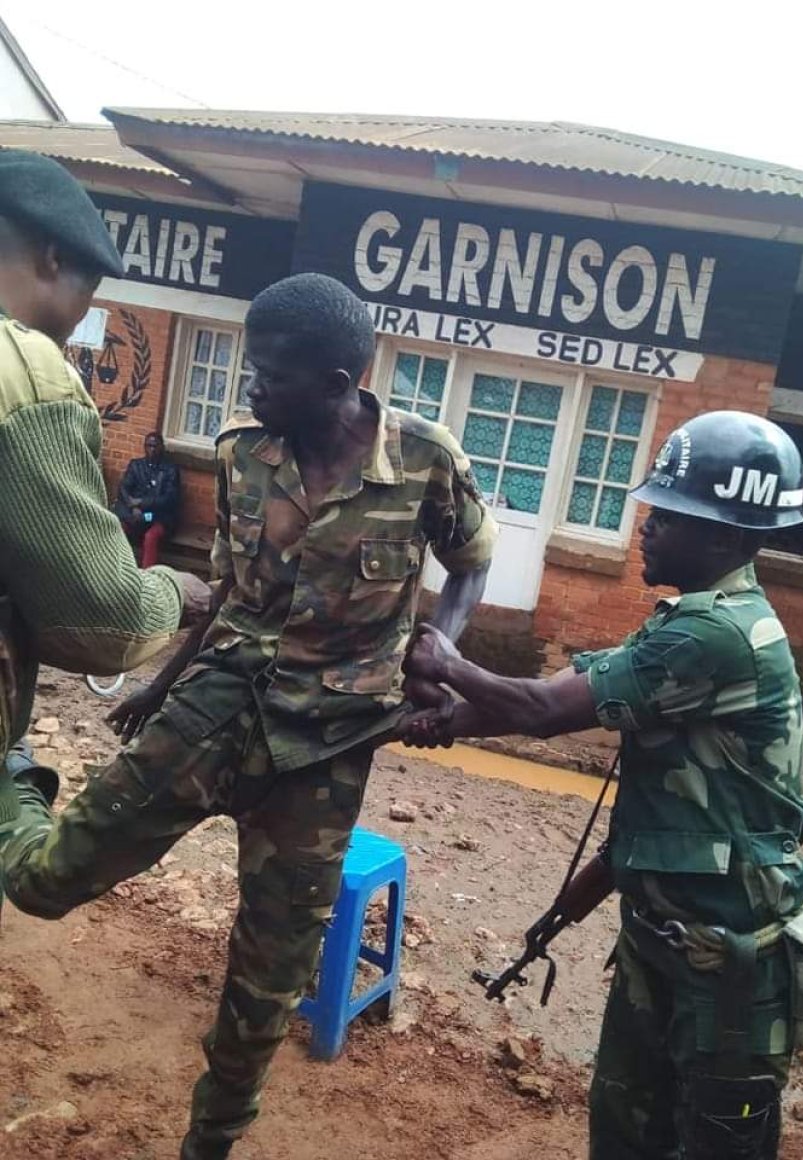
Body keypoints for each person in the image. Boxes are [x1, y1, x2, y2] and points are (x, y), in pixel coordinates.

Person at [0, 272, 498, 1159]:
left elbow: (470, 565)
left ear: (337, 385)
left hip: (328, 746)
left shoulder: (427, 459)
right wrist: (159, 684)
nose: (249, 389)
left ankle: (212, 1141)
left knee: (270, 979)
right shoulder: (242, 454)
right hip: (215, 705)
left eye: (269, 375)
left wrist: (442, 653)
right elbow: (234, 590)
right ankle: (13, 774)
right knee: (43, 883)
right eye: (247, 368)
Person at [398, 412, 803, 1160]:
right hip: (665, 943)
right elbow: (569, 688)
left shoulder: (717, 638)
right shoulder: (688, 621)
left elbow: (543, 714)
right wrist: (449, 720)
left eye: (670, 516)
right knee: (625, 1131)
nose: (646, 527)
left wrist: (447, 664)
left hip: (732, 966)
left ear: (726, 538)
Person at [0, 149, 210, 822]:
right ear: (54, 257)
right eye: (90, 291)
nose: (80, 316)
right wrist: (176, 593)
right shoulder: (24, 371)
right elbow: (102, 623)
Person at [114, 432, 182, 567]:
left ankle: (147, 574)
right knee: (119, 527)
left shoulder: (170, 470)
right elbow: (123, 488)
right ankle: (117, 568)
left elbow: (169, 499)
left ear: (162, 447)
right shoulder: (136, 465)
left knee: (151, 536)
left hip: (156, 516)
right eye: (149, 446)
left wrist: (141, 503)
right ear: (144, 447)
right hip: (135, 515)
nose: (152, 449)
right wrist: (133, 507)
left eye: (155, 446)